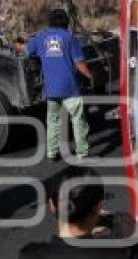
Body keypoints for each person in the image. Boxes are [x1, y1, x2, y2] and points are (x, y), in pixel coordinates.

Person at [20, 9, 94, 160]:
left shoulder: (40, 38)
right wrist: (90, 76)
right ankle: (82, 152)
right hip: (70, 88)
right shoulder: (69, 38)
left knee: (53, 121)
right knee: (78, 120)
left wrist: (17, 45)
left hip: (51, 89)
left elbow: (26, 50)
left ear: (50, 22)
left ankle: (52, 152)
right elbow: (79, 63)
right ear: (66, 22)